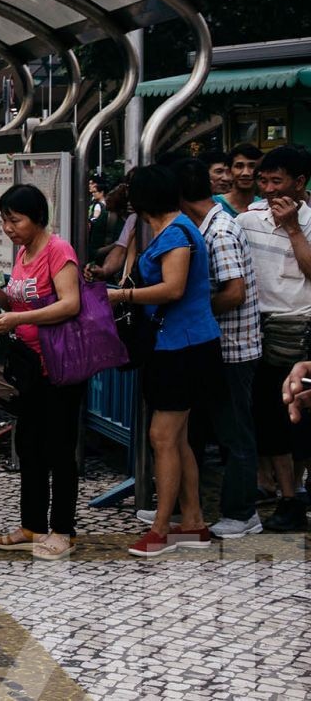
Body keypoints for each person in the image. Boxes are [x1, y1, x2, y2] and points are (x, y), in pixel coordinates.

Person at [143, 158, 263, 537]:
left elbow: (233, 292)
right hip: (205, 342)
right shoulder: (194, 228)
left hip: (227, 345)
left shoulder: (216, 231)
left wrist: (127, 296)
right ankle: (189, 515)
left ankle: (241, 513)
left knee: (233, 434)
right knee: (183, 436)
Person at [108, 165, 222, 556]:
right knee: (178, 438)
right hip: (176, 345)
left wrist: (120, 297)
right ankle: (193, 522)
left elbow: (173, 289)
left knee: (162, 437)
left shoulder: (176, 233)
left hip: (183, 347)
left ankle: (161, 529)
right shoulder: (171, 229)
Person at [0, 184, 83, 561]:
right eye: (5, 220)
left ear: (37, 218)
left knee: (59, 448)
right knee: (30, 446)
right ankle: (32, 526)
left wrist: (17, 317)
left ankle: (63, 530)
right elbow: (22, 297)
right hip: (30, 366)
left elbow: (70, 304)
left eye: (15, 220)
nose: (9, 228)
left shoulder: (59, 251)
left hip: (59, 366)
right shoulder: (25, 252)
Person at [237, 144, 311, 532]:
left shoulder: (310, 221)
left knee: (296, 418)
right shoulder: (249, 220)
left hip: (301, 331)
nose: (266, 188)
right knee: (269, 418)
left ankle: (294, 495)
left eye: (276, 180)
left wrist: (295, 229)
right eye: (263, 180)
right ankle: (286, 494)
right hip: (259, 331)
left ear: (299, 183)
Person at [216, 142, 264, 218]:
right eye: (239, 166)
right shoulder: (214, 205)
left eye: (252, 166)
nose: (246, 173)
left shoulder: (263, 207)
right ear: (229, 172)